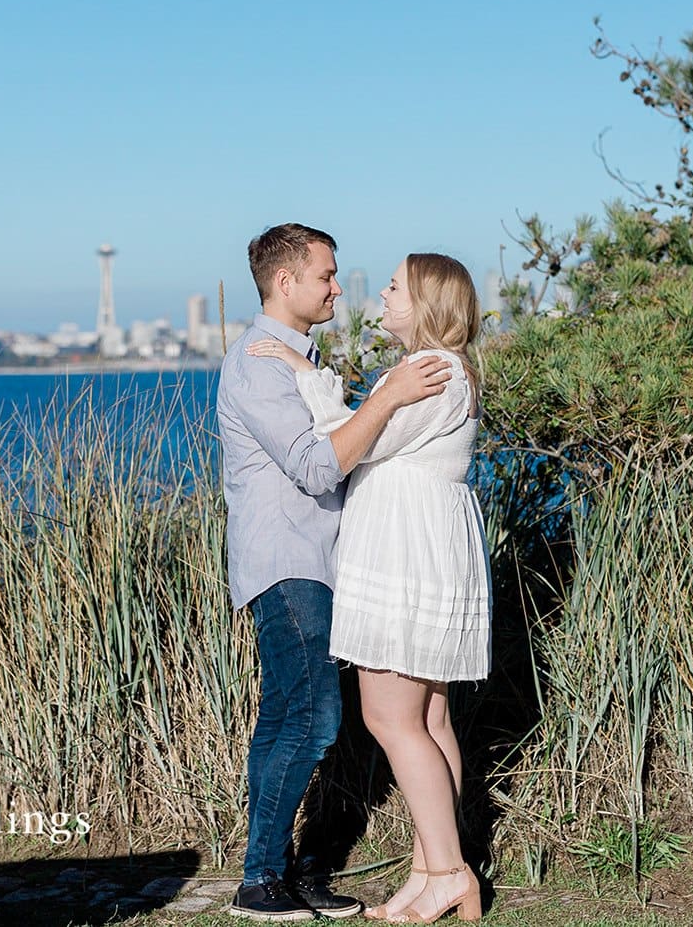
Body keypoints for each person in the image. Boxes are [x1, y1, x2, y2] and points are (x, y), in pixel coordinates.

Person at [246, 253, 491, 924]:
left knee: (390, 716)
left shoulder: (427, 372)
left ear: (425, 302)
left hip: (405, 553)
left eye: (393, 286)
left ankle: (447, 870)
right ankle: (428, 869)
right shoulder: (443, 371)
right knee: (429, 719)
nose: (379, 294)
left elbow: (350, 442)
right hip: (427, 546)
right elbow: (375, 426)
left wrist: (308, 378)